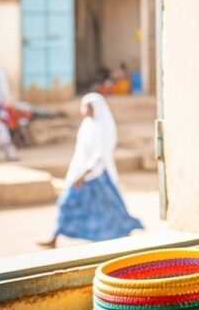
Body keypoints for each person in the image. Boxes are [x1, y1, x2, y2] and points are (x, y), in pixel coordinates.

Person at [37, 93, 142, 248]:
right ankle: (55, 236)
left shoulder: (103, 127)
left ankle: (124, 233)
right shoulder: (87, 125)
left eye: (88, 107)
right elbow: (81, 151)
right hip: (81, 172)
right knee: (66, 203)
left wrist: (84, 174)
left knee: (110, 209)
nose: (85, 110)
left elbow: (100, 154)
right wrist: (76, 172)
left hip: (97, 175)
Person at [0, 64, 15, 161]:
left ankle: (10, 152)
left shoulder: (0, 72)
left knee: (2, 128)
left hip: (0, 106)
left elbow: (4, 91)